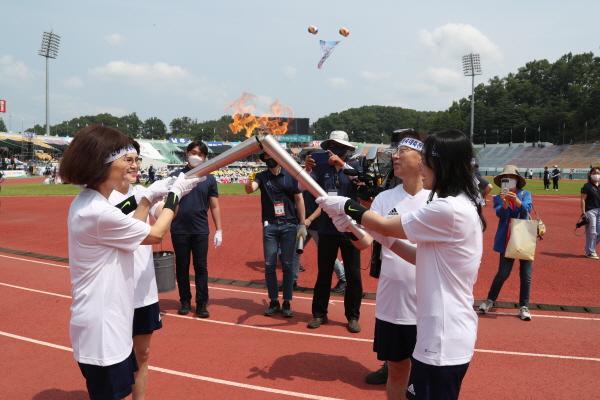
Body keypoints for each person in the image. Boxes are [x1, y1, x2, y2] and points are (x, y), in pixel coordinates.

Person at [317, 129, 485, 400]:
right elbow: (418, 256)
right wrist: (354, 224)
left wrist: (347, 206)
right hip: (436, 331)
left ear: (440, 164)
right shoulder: (456, 204)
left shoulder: (447, 209)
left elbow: (383, 225)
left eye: (427, 160)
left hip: (442, 336)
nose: (424, 166)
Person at [60, 125, 201, 400]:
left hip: (111, 320)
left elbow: (132, 230)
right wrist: (172, 194)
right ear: (101, 164)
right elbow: (155, 233)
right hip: (102, 329)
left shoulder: (90, 203)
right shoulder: (97, 211)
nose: (129, 165)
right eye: (123, 159)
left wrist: (150, 198)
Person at [366, 132, 430, 398]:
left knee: (426, 377)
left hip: (428, 305)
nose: (395, 156)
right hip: (393, 304)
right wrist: (347, 222)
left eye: (403, 151)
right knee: (396, 371)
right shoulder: (384, 199)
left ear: (421, 159)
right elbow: (366, 240)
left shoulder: (436, 200)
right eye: (395, 151)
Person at [108, 141, 165, 400]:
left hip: (143, 291)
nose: (135, 165)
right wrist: (146, 200)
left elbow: (161, 215)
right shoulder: (102, 199)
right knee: (115, 359)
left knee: (143, 354)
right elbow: (132, 234)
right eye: (128, 159)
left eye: (137, 159)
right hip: (114, 289)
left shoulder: (144, 190)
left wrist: (172, 196)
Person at [304, 130, 364, 333]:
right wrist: (307, 170)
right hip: (327, 228)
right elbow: (302, 186)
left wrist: (341, 165)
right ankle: (319, 314)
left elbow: (361, 183)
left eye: (339, 147)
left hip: (351, 227)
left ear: (347, 150)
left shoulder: (355, 166)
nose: (334, 151)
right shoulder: (320, 167)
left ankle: (353, 316)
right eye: (331, 146)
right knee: (324, 273)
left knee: (354, 275)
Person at [245, 152, 306, 318]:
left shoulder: (290, 175)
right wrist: (249, 182)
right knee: (269, 264)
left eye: (271, 157)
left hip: (289, 224)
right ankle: (273, 300)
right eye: (265, 158)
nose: (269, 161)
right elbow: (251, 189)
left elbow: (299, 199)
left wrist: (302, 223)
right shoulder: (261, 176)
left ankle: (287, 301)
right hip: (270, 225)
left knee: (287, 264)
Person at [171, 140, 222, 318]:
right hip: (179, 229)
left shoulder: (209, 178)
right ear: (186, 153)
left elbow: (214, 206)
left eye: (200, 154)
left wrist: (219, 229)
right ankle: (185, 301)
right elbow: (168, 203)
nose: (196, 156)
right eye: (193, 152)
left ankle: (201, 304)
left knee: (201, 267)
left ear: (205, 157)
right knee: (182, 266)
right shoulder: (176, 176)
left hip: (200, 229)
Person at [478, 165, 534, 321]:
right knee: (503, 272)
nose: (508, 181)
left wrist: (517, 202)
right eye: (505, 179)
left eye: (511, 177)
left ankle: (524, 306)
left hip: (523, 237)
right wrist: (504, 205)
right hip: (506, 238)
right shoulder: (498, 197)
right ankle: (490, 300)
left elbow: (526, 210)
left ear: (517, 179)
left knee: (526, 274)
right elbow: (500, 215)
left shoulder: (525, 194)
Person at [580, 167, 600, 259]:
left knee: (598, 233)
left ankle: (588, 248)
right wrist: (583, 212)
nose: (597, 175)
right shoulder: (587, 186)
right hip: (590, 210)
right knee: (592, 231)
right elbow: (583, 200)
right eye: (595, 173)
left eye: (598, 173)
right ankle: (591, 252)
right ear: (590, 174)